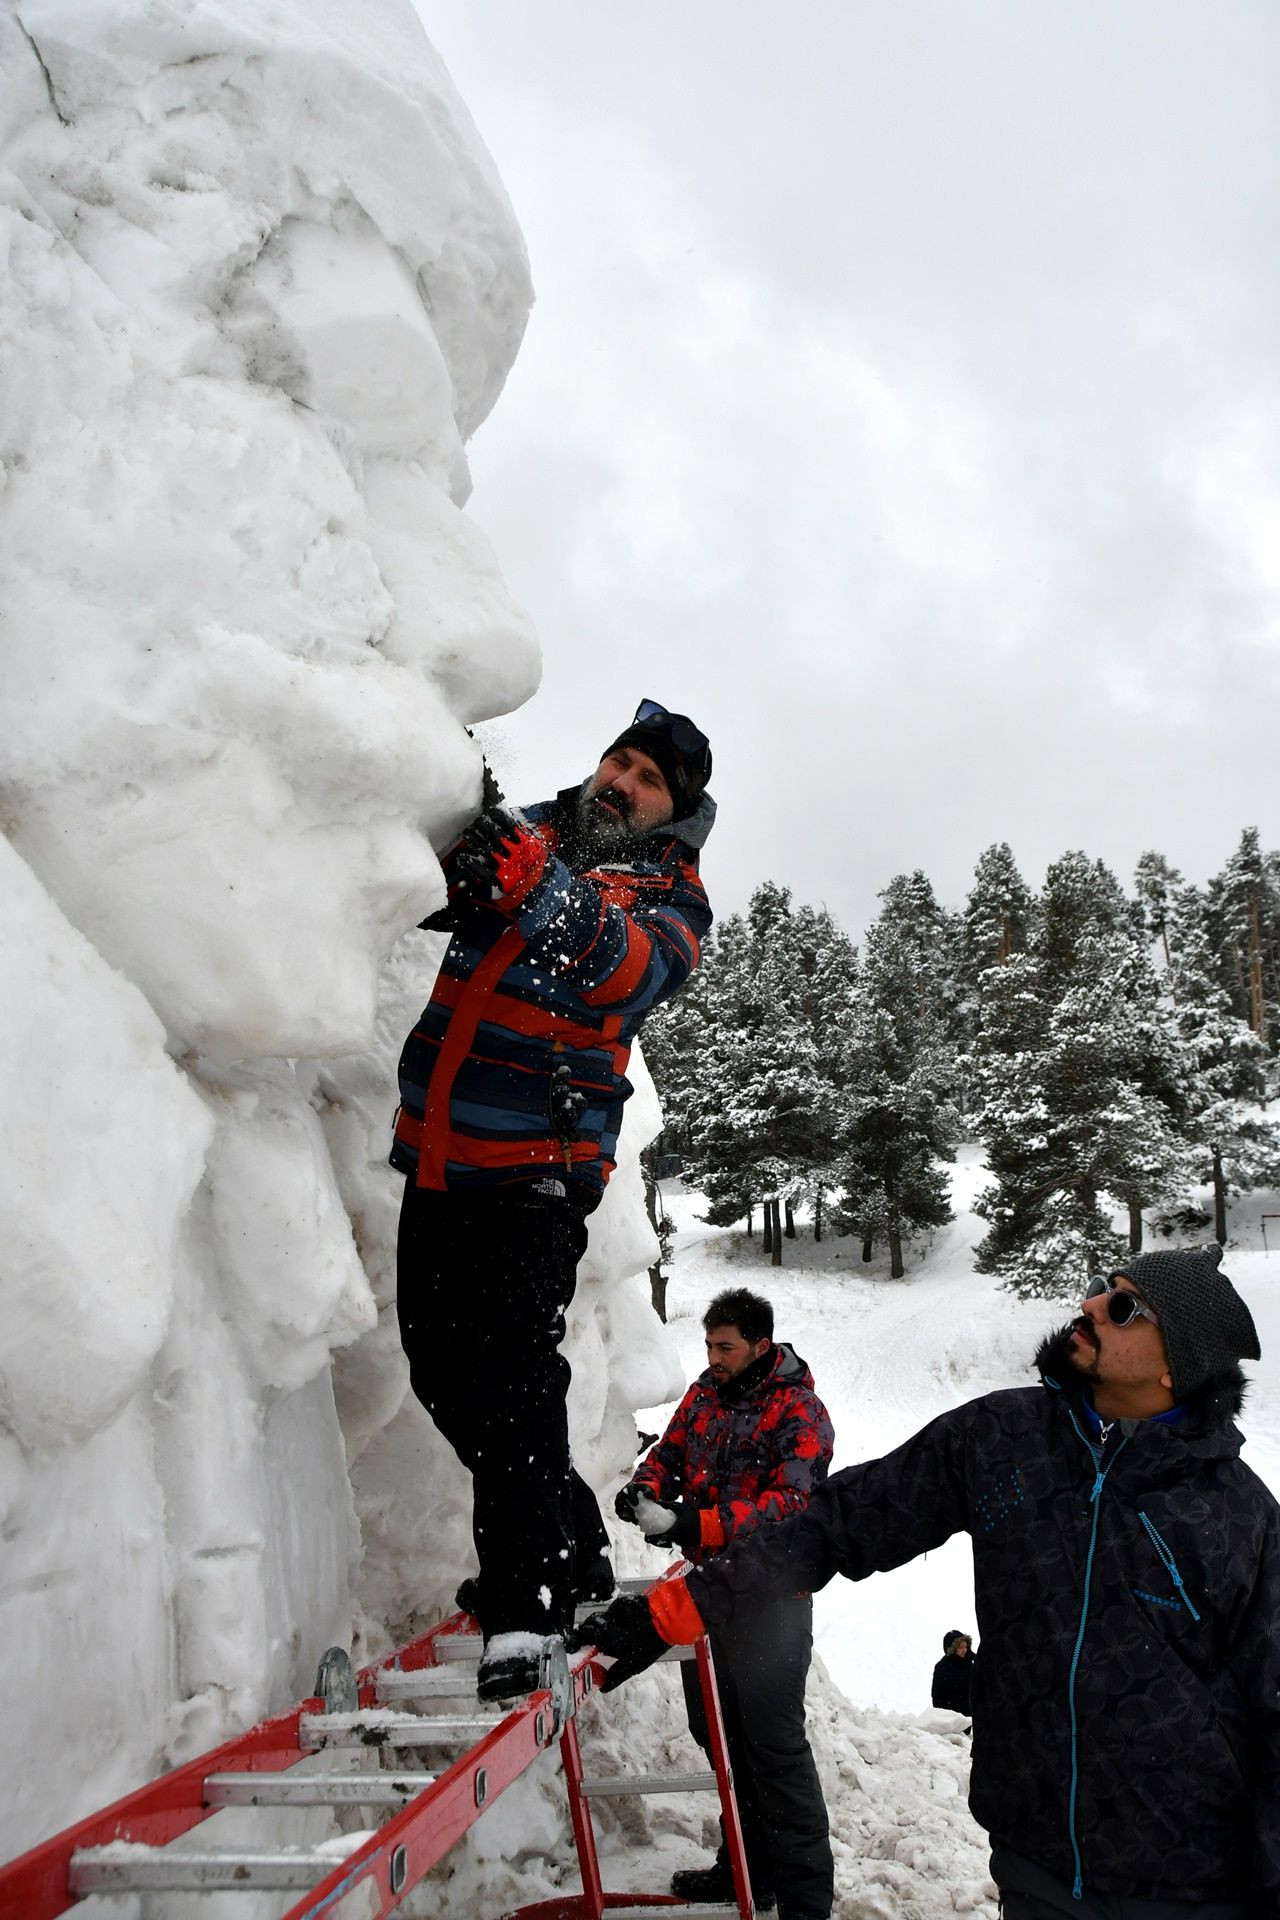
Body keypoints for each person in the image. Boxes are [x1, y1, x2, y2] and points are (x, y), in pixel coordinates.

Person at [579, 1245, 1280, 1919]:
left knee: (773, 1747)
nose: (1093, 1304)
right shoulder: (1004, 1437)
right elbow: (834, 1523)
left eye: (1126, 1308)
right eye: (1102, 1285)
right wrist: (670, 1611)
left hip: (1191, 1884)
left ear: (1176, 1369)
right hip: (1036, 1868)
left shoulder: (1239, 1518)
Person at [392, 700, 714, 1700]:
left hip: (538, 1163)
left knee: (516, 1373)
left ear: (674, 811)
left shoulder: (669, 895)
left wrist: (541, 889)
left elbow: (630, 968)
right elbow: (420, 885)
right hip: (440, 1153)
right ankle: (571, 1548)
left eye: (647, 778)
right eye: (618, 761)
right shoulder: (535, 832)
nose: (620, 780)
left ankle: (525, 1604)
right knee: (443, 1368)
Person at [615, 1287, 835, 1920]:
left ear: (761, 1346)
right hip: (708, 1594)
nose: (712, 1357)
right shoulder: (707, 1396)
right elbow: (670, 1453)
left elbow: (787, 1510)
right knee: (718, 1737)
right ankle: (745, 1866)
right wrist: (646, 1490)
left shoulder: (800, 1412)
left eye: (725, 1347)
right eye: (708, 1344)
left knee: (775, 1749)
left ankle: (803, 1902)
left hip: (772, 1603)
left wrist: (689, 1522)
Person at [930, 1629, 974, 1717]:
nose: (964, 1650)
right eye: (961, 1647)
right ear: (953, 1649)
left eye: (966, 1647)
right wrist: (945, 1718)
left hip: (972, 1715)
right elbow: (937, 1696)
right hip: (953, 1718)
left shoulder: (970, 1663)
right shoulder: (942, 1667)